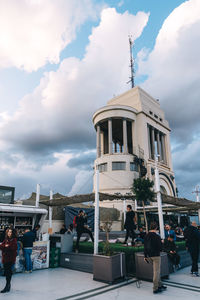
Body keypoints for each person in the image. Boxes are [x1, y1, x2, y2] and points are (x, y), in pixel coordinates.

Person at [144, 222, 167, 294]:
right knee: (156, 272)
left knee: (157, 271)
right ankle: (155, 288)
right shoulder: (157, 236)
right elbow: (160, 248)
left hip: (149, 256)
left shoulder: (146, 236)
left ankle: (160, 285)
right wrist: (162, 242)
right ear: (156, 228)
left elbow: (145, 247)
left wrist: (145, 256)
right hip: (156, 256)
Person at [0, 228, 17, 293]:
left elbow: (12, 248)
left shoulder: (14, 240)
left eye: (10, 232)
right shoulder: (6, 239)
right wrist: (5, 246)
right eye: (8, 232)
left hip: (10, 259)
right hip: (5, 258)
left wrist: (6, 247)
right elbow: (1, 246)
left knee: (8, 272)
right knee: (7, 272)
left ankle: (7, 286)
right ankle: (8, 285)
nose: (9, 233)